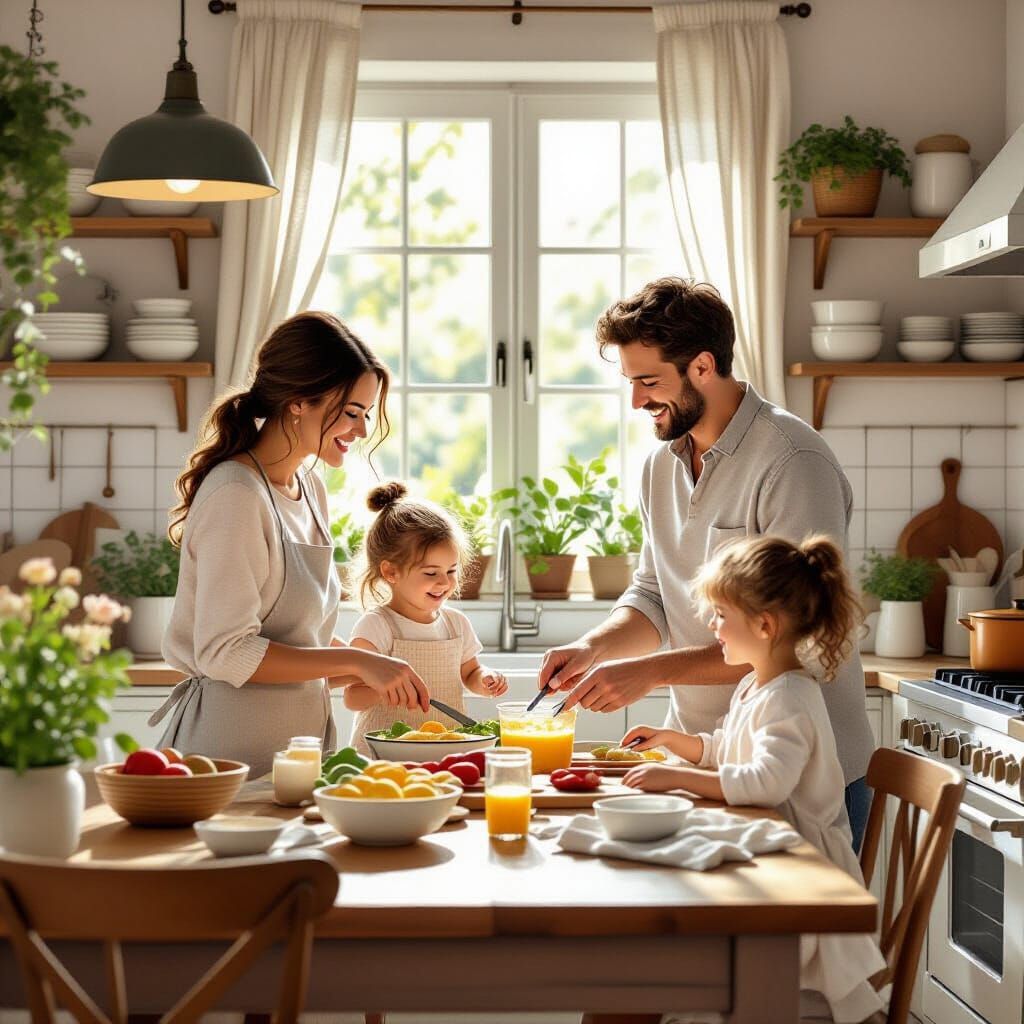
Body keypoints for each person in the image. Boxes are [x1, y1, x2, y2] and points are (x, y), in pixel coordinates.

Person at [538, 277, 875, 849]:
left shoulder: (792, 460)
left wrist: (652, 670)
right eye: (631, 382)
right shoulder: (660, 466)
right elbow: (652, 592)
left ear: (702, 366)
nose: (637, 401)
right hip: (713, 763)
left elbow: (796, 635)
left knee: (802, 935)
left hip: (805, 777)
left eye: (649, 381)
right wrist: (592, 648)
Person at [622, 534, 886, 1024]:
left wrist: (672, 778)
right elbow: (730, 749)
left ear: (764, 625)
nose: (712, 626)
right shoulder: (756, 685)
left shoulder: (790, 698)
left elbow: (764, 783)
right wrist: (673, 741)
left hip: (805, 886)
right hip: (775, 861)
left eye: (721, 615)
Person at [151, 311, 429, 777]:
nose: (360, 432)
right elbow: (226, 651)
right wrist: (356, 660)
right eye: (352, 413)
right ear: (300, 402)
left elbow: (300, 640)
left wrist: (372, 665)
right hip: (228, 760)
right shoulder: (236, 495)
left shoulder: (309, 488)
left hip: (296, 757)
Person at [345, 482, 508, 754]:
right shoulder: (377, 626)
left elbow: (470, 672)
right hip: (385, 756)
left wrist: (486, 679)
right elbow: (352, 696)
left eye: (452, 570)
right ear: (391, 572)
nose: (444, 582)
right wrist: (385, 689)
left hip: (446, 750)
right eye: (431, 573)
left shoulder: (456, 624)